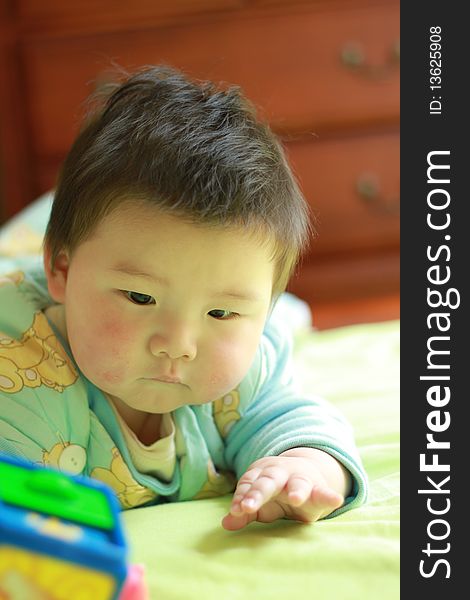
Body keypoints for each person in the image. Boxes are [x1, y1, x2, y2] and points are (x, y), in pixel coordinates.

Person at [0, 65, 367, 531]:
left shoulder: (247, 360)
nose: (178, 344)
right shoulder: (19, 377)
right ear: (63, 271)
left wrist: (306, 467)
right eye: (139, 297)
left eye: (220, 312)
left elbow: (289, 414)